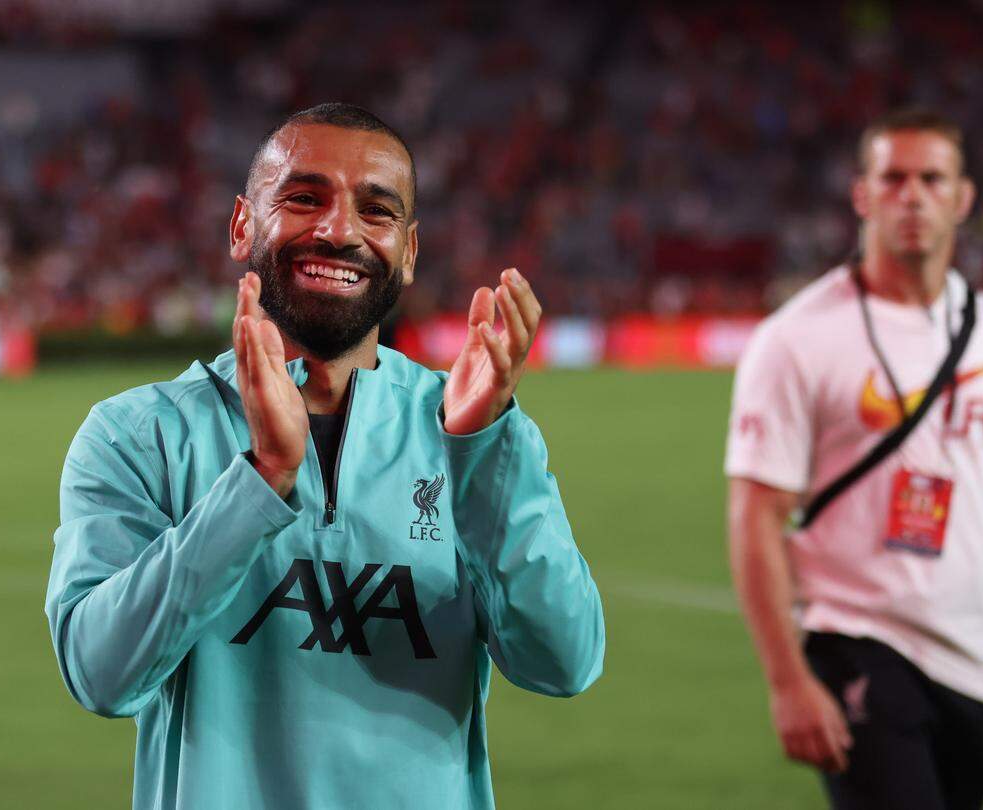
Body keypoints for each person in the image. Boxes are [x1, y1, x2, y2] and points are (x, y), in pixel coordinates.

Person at [45, 103, 604, 810]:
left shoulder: (472, 429)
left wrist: (480, 451)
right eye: (305, 198)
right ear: (244, 225)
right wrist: (260, 480)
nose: (339, 231)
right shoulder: (138, 434)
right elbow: (102, 675)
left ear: (408, 250)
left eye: (377, 212)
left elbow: (564, 663)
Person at [725, 107, 983, 809]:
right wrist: (788, 681)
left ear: (964, 198)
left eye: (933, 179)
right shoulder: (794, 341)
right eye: (894, 178)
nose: (912, 195)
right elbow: (756, 515)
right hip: (858, 643)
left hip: (976, 671)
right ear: (862, 195)